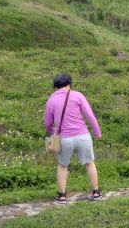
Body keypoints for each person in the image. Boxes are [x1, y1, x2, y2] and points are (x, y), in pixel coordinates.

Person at [44, 73, 102, 204]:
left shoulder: (51, 100)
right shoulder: (78, 96)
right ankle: (96, 192)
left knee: (62, 165)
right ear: (69, 84)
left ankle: (62, 196)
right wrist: (97, 133)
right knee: (89, 163)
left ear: (56, 86)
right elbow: (90, 116)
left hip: (64, 139)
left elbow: (47, 123)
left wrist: (52, 132)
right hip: (83, 136)